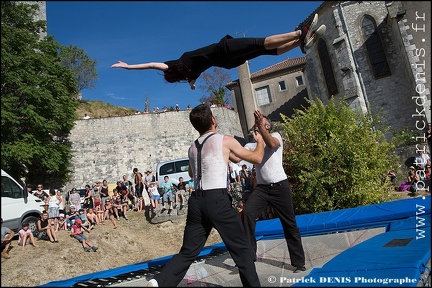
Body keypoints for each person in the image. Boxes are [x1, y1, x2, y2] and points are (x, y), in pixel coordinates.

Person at [146, 103, 264, 287]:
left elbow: (194, 174)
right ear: (213, 120)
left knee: (188, 252)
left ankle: (160, 282)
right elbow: (256, 158)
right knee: (242, 250)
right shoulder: (224, 140)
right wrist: (261, 139)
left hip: (196, 202)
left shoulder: (192, 148)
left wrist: (225, 156)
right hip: (217, 200)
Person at [112, 14, 325, 91]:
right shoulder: (175, 65)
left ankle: (301, 43)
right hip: (225, 49)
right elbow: (150, 64)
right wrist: (128, 66)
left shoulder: (189, 74)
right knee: (261, 42)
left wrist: (192, 84)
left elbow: (193, 83)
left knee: (264, 52)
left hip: (228, 62)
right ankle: (300, 31)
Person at [237, 110, 306, 273]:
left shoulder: (275, 136)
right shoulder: (251, 145)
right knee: (247, 213)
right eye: (255, 127)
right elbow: (238, 156)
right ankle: (249, 255)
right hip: (262, 189)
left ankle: (298, 262)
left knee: (289, 223)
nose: (255, 128)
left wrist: (261, 129)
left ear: (266, 126)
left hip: (280, 187)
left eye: (259, 125)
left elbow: (272, 145)